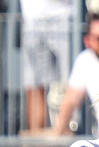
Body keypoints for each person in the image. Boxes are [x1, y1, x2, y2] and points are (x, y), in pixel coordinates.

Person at [21, 0, 73, 132]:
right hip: (31, 18)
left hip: (65, 16)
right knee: (34, 84)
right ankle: (36, 141)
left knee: (72, 82)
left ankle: (68, 133)